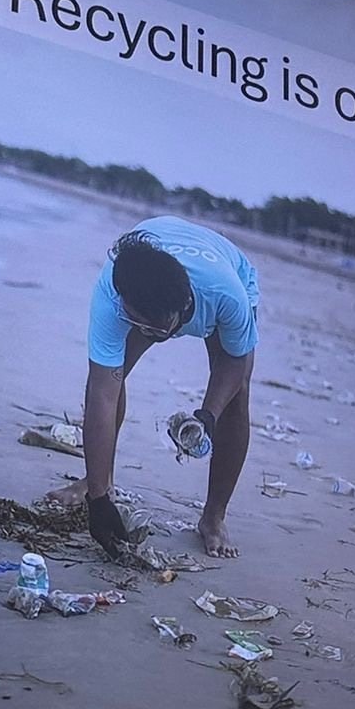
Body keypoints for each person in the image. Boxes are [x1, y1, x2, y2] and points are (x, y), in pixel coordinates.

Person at [80, 217, 258, 558]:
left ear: (183, 310)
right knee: (109, 379)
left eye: (154, 329)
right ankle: (99, 482)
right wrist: (97, 501)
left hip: (223, 270)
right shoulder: (112, 296)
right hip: (151, 265)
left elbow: (234, 363)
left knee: (237, 396)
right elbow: (101, 393)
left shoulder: (227, 295)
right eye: (135, 322)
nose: (144, 331)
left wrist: (208, 416)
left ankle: (214, 517)